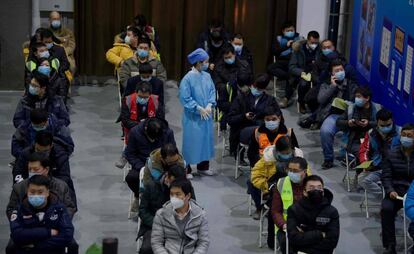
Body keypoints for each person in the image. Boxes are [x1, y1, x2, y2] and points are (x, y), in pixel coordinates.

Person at [9, 175, 74, 254]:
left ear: (47, 192)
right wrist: (48, 232)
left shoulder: (59, 209)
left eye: (40, 192)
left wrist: (37, 245)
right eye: (32, 192)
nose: (36, 195)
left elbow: (67, 235)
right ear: (27, 191)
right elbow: (17, 235)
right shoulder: (19, 210)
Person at [6, 152, 77, 220]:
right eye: (30, 169)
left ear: (46, 169)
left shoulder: (61, 186)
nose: (32, 172)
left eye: (35, 169)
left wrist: (60, 221)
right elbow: (11, 210)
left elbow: (69, 207)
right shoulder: (19, 187)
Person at [179, 48, 216, 175]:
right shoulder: (187, 79)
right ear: (198, 62)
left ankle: (203, 167)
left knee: (206, 141)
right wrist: (197, 108)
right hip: (192, 117)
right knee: (191, 142)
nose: (207, 64)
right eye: (205, 62)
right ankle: (187, 169)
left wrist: (210, 104)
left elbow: (212, 91)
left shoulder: (207, 76)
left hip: (206, 115)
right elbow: (185, 97)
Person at [250, 136, 307, 219]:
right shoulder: (267, 159)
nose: (286, 156)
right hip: (273, 184)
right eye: (283, 153)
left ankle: (266, 207)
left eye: (288, 153)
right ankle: (262, 208)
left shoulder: (299, 158)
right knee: (250, 183)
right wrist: (267, 186)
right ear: (277, 151)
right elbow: (255, 176)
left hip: (294, 186)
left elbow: (307, 174)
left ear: (293, 150)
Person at [321, 86, 377, 169]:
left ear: (367, 98)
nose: (356, 99)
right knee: (364, 156)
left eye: (359, 97)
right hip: (355, 140)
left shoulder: (376, 109)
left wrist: (368, 123)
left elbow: (379, 124)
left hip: (371, 140)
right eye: (356, 96)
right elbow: (339, 122)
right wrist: (348, 123)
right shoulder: (351, 108)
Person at [227, 73, 281, 158]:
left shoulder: (270, 101)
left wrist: (271, 119)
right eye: (255, 87)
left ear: (264, 89)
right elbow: (230, 119)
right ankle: (260, 159)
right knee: (261, 131)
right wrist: (244, 116)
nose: (256, 90)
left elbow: (279, 117)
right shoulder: (241, 98)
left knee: (285, 132)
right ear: (251, 85)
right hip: (244, 129)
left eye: (259, 89)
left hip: (264, 130)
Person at [139, 163, 187, 254]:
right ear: (167, 177)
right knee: (147, 249)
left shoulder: (185, 188)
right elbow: (142, 211)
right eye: (173, 182)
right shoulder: (151, 186)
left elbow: (191, 209)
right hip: (153, 226)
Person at [125, 118, 175, 205]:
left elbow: (173, 152)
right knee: (131, 178)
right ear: (145, 129)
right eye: (151, 138)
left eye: (156, 139)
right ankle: (139, 196)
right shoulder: (135, 132)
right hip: (142, 164)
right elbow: (130, 154)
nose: (153, 141)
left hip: (163, 165)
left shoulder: (168, 133)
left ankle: (168, 201)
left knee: (177, 179)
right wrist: (142, 167)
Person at [380, 123, 414, 253]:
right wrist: (390, 190)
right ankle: (390, 245)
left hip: (412, 193)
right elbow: (386, 176)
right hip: (395, 192)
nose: (406, 138)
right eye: (403, 135)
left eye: (409, 136)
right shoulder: (391, 154)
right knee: (386, 209)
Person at [151, 178, 209, 254]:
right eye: (171, 194)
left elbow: (203, 242)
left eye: (178, 194)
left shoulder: (200, 215)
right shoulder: (161, 214)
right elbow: (156, 242)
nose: (173, 198)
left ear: (188, 196)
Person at [287, 175, 340, 253]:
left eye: (319, 188)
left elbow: (332, 242)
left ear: (323, 192)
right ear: (304, 192)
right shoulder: (294, 210)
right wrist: (320, 234)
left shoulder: (332, 212)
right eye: (311, 188)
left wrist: (305, 236)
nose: (316, 190)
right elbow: (293, 238)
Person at [358, 109, 401, 198]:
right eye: (382, 125)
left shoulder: (400, 133)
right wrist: (364, 163)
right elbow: (364, 150)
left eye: (388, 125)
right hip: (378, 167)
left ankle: (390, 199)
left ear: (392, 121)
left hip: (396, 168)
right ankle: (386, 197)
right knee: (362, 180)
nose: (385, 127)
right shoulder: (371, 133)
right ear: (377, 123)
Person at [271, 157, 310, 252]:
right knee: (287, 243)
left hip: (307, 226)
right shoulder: (281, 182)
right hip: (285, 226)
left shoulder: (313, 185)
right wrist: (284, 225)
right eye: (290, 170)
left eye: (295, 171)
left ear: (304, 171)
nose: (292, 173)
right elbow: (276, 211)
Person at [212, 43, 253, 131]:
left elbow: (250, 81)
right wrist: (229, 86)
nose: (228, 59)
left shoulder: (244, 65)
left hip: (243, 95)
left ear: (234, 54)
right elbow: (217, 85)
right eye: (226, 58)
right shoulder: (218, 68)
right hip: (227, 97)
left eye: (230, 57)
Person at [314, 59, 359, 130]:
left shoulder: (352, 85)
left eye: (341, 70)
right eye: (337, 71)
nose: (340, 72)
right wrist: (332, 86)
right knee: (326, 131)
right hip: (330, 114)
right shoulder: (326, 84)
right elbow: (320, 100)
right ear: (331, 74)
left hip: (346, 115)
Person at [267, 21, 302, 108]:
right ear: (283, 31)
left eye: (292, 30)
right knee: (271, 68)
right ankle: (288, 77)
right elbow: (275, 51)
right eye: (288, 30)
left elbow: (302, 53)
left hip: (294, 62)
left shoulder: (299, 39)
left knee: (293, 73)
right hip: (283, 61)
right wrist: (286, 46)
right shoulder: (278, 39)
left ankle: (286, 99)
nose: (290, 32)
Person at [289, 30, 321, 114]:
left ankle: (315, 105)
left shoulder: (320, 49)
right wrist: (302, 72)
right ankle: (302, 103)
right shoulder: (298, 49)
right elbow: (292, 67)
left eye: (316, 43)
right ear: (307, 40)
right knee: (303, 84)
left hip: (315, 72)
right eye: (312, 42)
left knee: (319, 82)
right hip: (303, 72)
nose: (314, 45)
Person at [49, 11, 76, 76]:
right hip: (51, 55)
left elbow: (72, 46)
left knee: (72, 66)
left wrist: (63, 52)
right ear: (50, 20)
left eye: (58, 19)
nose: (56, 21)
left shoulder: (68, 32)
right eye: (54, 19)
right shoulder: (46, 32)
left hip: (66, 54)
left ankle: (67, 83)